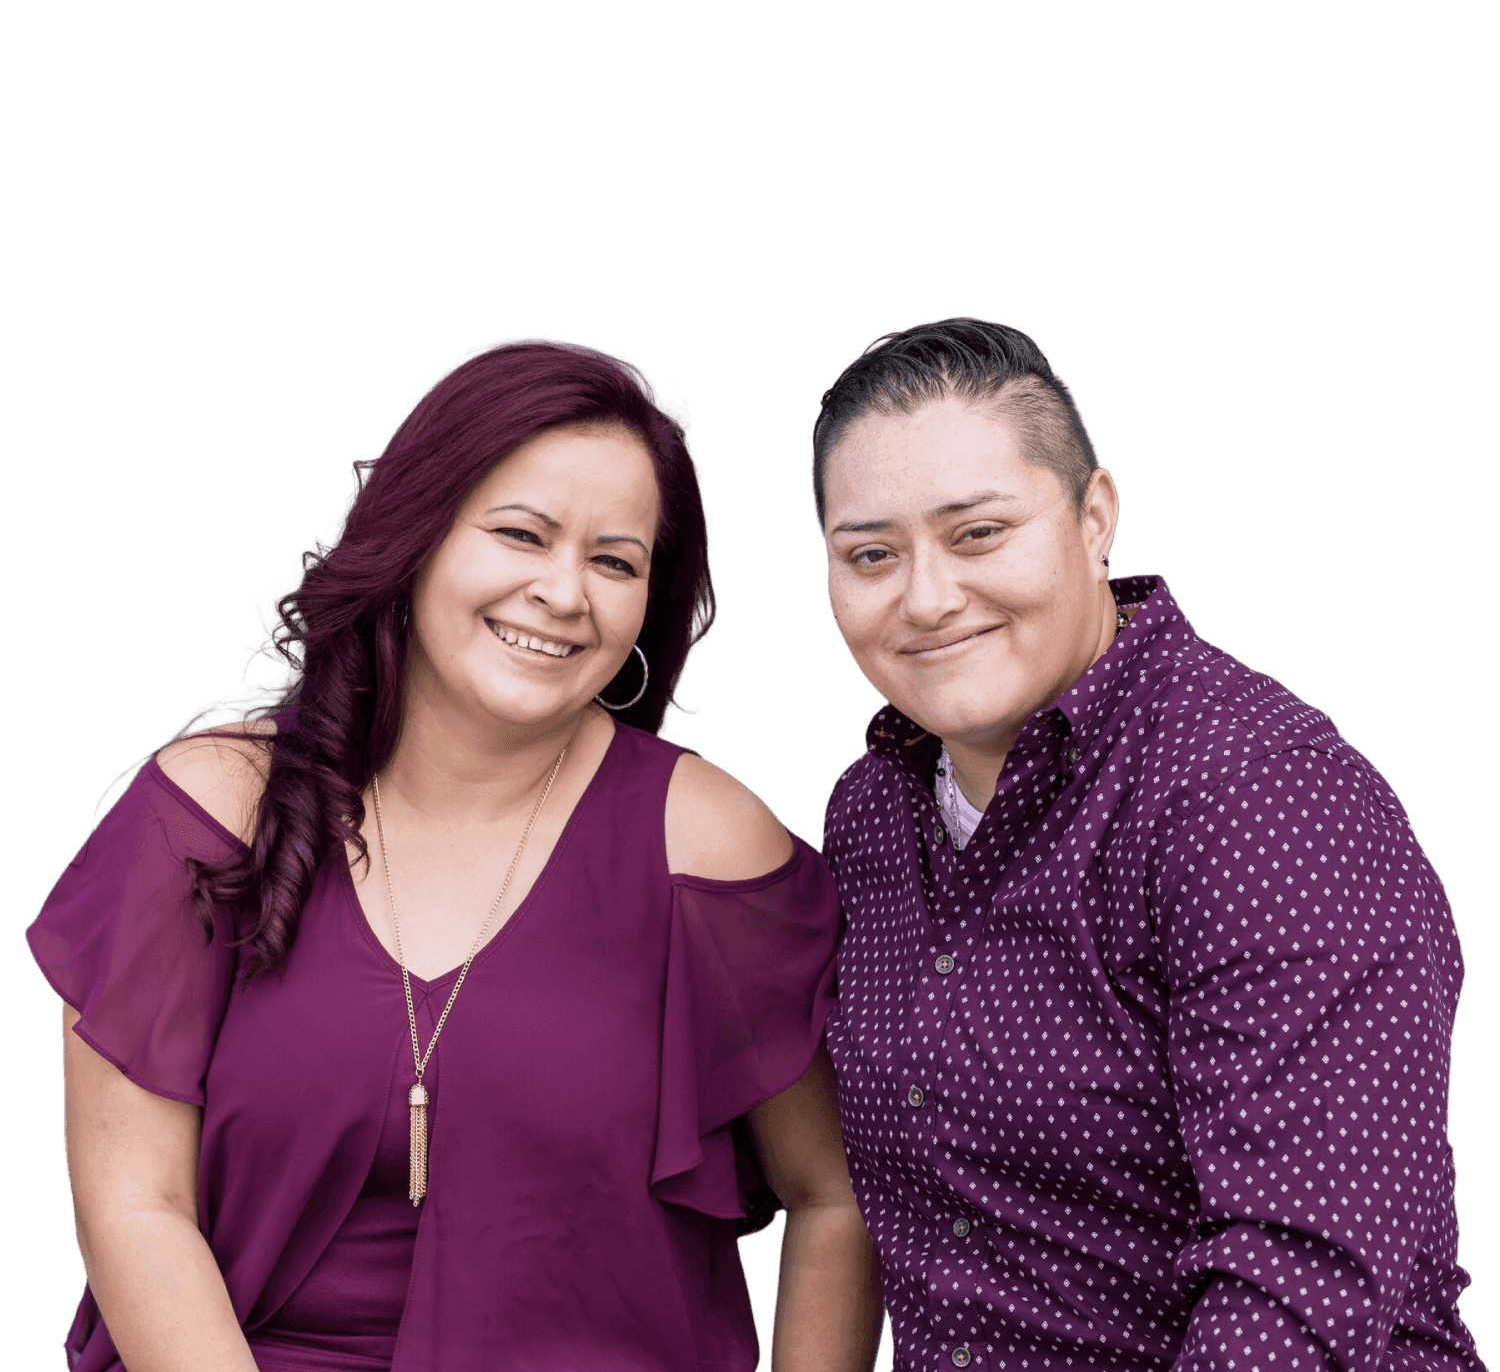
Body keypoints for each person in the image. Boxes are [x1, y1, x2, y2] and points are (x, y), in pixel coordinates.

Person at [29, 336, 884, 1372]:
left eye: (614, 560)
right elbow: (131, 1202)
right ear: (420, 536)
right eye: (522, 535)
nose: (565, 593)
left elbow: (834, 1190)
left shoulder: (701, 844)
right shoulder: (211, 810)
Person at [813, 317, 1483, 1372]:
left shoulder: (1261, 796)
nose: (927, 596)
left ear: (1094, 518)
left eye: (978, 532)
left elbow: (1299, 1281)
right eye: (869, 555)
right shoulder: (871, 817)